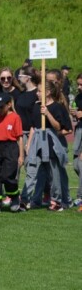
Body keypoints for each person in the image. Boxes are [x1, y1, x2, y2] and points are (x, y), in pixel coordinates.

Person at [23, 80, 72, 211]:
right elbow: (33, 127)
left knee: (54, 174)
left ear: (48, 92)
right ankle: (25, 199)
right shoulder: (35, 106)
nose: (37, 93)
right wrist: (28, 144)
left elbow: (58, 127)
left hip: (50, 144)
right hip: (37, 143)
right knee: (32, 171)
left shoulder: (57, 107)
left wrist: (47, 113)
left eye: (40, 91)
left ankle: (56, 201)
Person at [0, 94, 24, 212]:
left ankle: (14, 197)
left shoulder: (15, 117)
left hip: (10, 148)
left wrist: (21, 155)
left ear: (8, 105)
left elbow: (19, 138)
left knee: (8, 176)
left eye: (1, 107)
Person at [72, 73, 82, 212]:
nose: (79, 87)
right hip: (79, 130)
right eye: (78, 84)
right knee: (75, 164)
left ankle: (80, 196)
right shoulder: (78, 97)